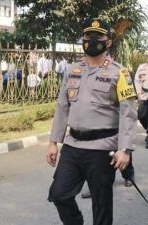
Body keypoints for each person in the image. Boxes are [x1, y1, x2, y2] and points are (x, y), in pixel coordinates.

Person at [46, 18, 137, 225]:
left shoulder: (120, 73)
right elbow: (62, 106)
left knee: (101, 205)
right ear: (83, 39)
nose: (93, 40)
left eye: (99, 37)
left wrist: (125, 149)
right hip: (73, 145)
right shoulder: (72, 70)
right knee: (59, 194)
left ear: (108, 41)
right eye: (88, 36)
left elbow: (128, 113)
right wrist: (53, 141)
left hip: (102, 148)